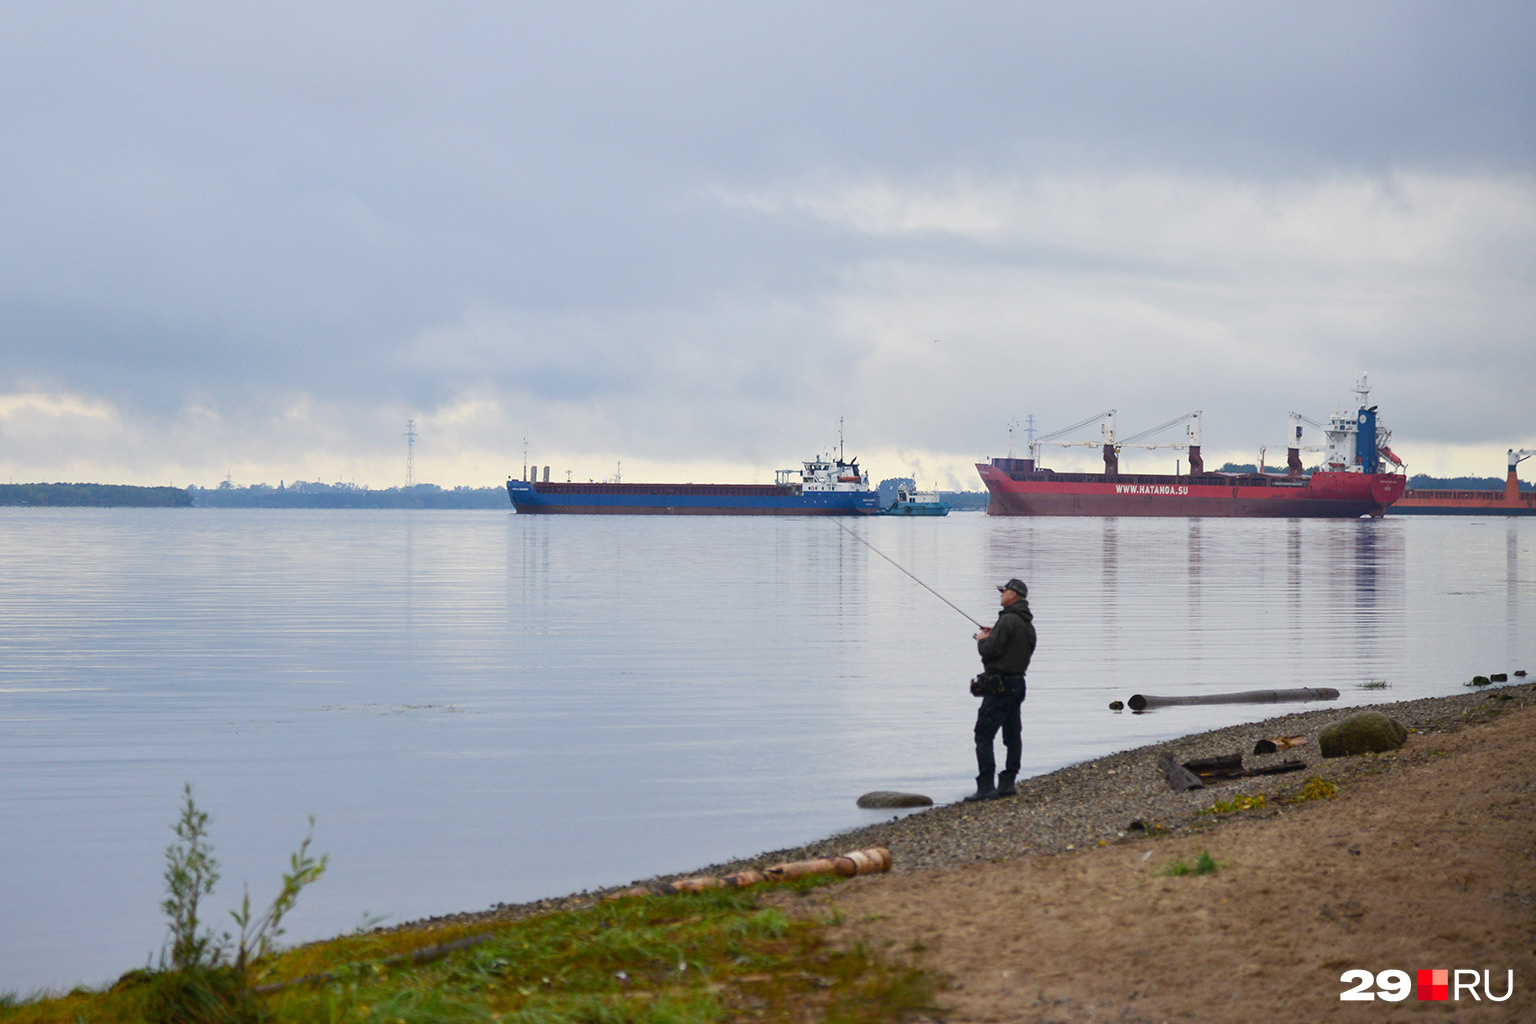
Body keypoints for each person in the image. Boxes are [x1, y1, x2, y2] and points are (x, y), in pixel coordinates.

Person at [966, 577, 1036, 801]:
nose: (1001, 595)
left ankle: (986, 787)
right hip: (1018, 685)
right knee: (1012, 736)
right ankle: (1007, 784)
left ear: (1013, 595)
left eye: (1003, 591)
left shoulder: (1007, 621)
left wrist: (981, 639)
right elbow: (1013, 646)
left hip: (1000, 687)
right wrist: (994, 632)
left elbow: (991, 652)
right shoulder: (1027, 624)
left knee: (983, 735)